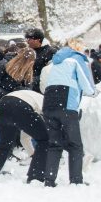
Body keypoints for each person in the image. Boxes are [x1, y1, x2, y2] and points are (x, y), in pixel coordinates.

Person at [40, 39, 96, 187]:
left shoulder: (54, 65)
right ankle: (76, 180)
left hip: (49, 105)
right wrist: (93, 92)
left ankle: (49, 180)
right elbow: (87, 86)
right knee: (75, 144)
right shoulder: (75, 61)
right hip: (67, 105)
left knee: (54, 144)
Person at [0, 89, 48, 179]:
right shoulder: (47, 106)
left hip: (3, 105)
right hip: (20, 105)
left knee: (5, 142)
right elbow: (43, 133)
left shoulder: (35, 98)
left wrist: (32, 154)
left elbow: (24, 137)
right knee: (45, 139)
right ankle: (36, 177)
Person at [25, 28, 55, 92]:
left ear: (38, 40)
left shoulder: (50, 52)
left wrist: (33, 80)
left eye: (30, 39)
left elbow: (51, 71)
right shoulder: (28, 51)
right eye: (27, 39)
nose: (27, 41)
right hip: (29, 86)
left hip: (42, 88)